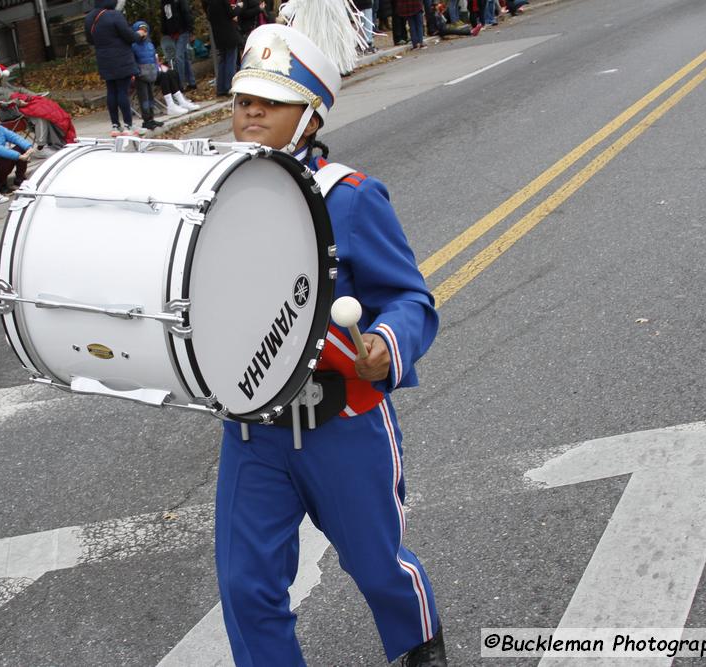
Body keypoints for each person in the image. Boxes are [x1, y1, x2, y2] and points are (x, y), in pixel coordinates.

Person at [215, 21, 447, 667]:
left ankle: (421, 645)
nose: (251, 110)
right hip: (252, 433)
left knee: (378, 569)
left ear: (310, 117)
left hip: (342, 419)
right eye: (243, 99)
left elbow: (411, 300)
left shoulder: (349, 198)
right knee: (245, 588)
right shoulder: (212, 195)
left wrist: (384, 341)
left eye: (271, 99)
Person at [0, 61, 75, 153]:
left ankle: (56, 143)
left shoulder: (4, 84)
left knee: (48, 110)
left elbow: (20, 90)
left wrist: (34, 96)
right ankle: (41, 148)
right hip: (6, 113)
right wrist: (16, 102)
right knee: (40, 116)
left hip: (18, 106)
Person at [85, 0, 142, 137]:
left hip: (104, 59)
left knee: (111, 91)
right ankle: (128, 125)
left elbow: (90, 40)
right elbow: (129, 36)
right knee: (123, 91)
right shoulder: (114, 15)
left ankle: (115, 126)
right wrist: (139, 34)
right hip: (121, 58)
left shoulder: (89, 17)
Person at [131, 20, 200, 128]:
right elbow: (132, 62)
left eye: (144, 30)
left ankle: (180, 100)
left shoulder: (150, 45)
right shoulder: (133, 46)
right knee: (147, 96)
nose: (142, 33)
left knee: (170, 72)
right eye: (140, 31)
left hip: (152, 72)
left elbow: (154, 60)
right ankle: (161, 110)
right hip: (141, 75)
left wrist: (160, 67)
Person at [203, 0, 241, 96]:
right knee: (230, 61)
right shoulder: (223, 2)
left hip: (218, 36)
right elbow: (231, 13)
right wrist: (239, 7)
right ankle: (230, 87)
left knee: (222, 61)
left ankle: (221, 88)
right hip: (229, 34)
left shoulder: (209, 4)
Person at [160, 0, 197, 90]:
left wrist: (190, 29)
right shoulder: (164, 2)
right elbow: (164, 16)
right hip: (173, 32)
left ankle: (180, 84)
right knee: (183, 56)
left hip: (182, 31)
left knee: (179, 57)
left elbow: (186, 12)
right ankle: (192, 82)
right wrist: (165, 31)